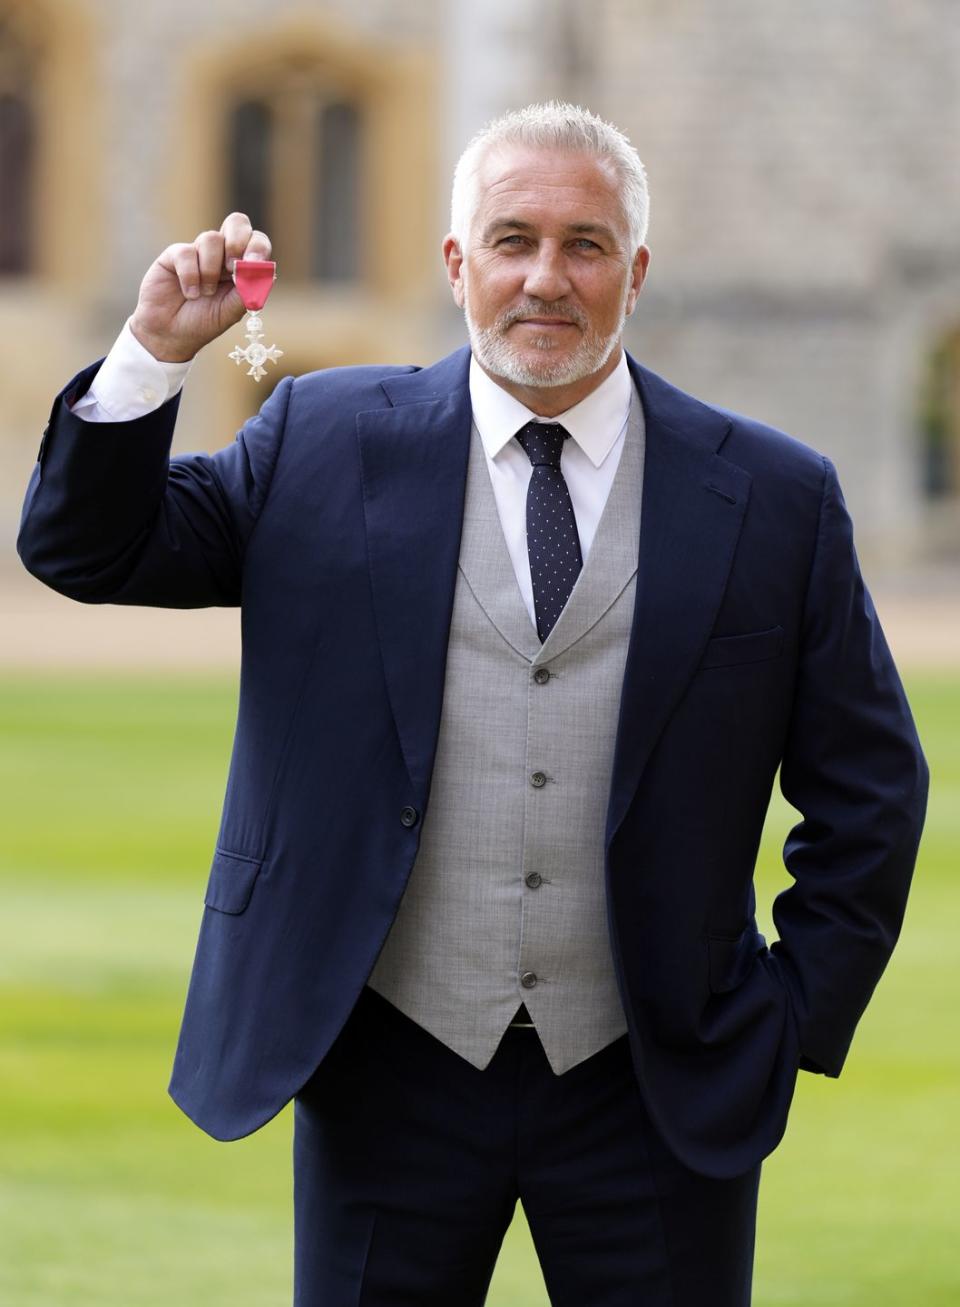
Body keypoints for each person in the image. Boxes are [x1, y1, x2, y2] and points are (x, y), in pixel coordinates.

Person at [18, 102, 927, 1306]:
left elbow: (871, 789)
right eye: (512, 239)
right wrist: (153, 353)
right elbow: (86, 548)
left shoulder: (774, 493)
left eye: (585, 244)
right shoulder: (320, 440)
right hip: (386, 1063)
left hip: (656, 1078)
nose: (545, 277)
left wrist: (792, 1014)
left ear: (636, 273)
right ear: (458, 265)